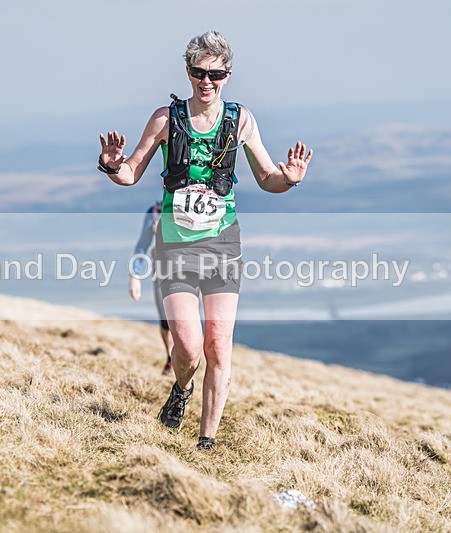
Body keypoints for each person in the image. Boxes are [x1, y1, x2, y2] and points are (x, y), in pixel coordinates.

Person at [98, 31, 312, 451]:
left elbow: (267, 177)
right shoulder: (165, 118)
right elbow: (132, 172)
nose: (206, 81)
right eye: (199, 72)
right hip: (175, 247)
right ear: (188, 72)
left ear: (228, 75)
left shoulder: (241, 120)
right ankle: (181, 388)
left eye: (215, 74)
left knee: (219, 346)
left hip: (223, 245)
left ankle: (206, 441)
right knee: (189, 347)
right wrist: (110, 166)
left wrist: (289, 180)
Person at [129, 200, 174, 375]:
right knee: (165, 322)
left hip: (190, 273)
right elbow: (142, 246)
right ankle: (171, 358)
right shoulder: (155, 213)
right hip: (161, 274)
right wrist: (135, 276)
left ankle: (183, 360)